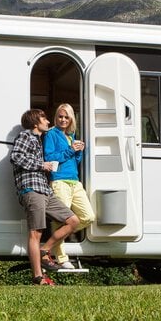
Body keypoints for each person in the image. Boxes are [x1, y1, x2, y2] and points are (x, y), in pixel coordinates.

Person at [11, 108, 81, 285]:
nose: (48, 122)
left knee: (73, 221)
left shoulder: (39, 140)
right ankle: (38, 277)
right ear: (35, 122)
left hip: (45, 190)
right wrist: (41, 165)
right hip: (31, 190)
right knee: (36, 232)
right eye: (44, 118)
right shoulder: (25, 136)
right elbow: (16, 157)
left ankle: (44, 251)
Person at [43, 103, 96, 269]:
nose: (63, 119)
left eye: (66, 117)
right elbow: (49, 157)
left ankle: (53, 242)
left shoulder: (71, 135)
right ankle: (61, 258)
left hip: (75, 182)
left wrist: (78, 152)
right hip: (59, 181)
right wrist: (70, 150)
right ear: (56, 117)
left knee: (88, 217)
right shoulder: (51, 134)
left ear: (71, 118)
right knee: (61, 221)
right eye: (60, 116)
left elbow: (74, 161)